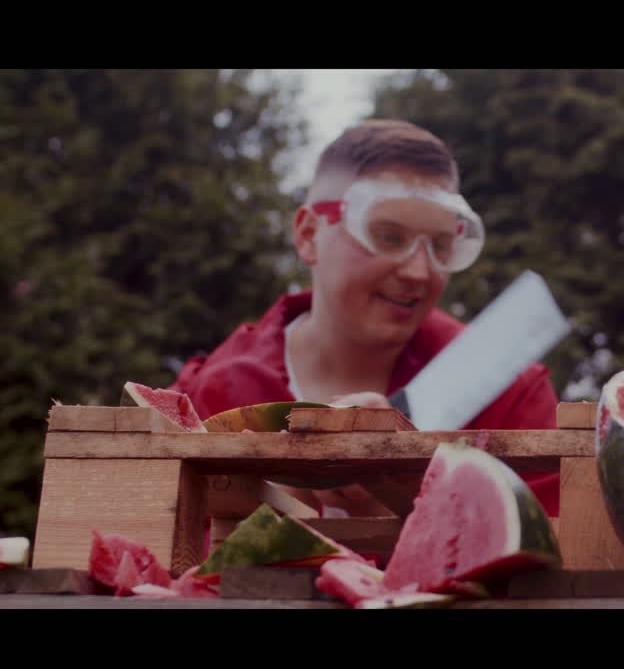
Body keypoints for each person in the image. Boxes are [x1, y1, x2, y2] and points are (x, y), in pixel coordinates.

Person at [168, 119, 561, 517]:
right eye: (388, 236)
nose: (419, 272)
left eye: (442, 246)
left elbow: (553, 562)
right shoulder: (205, 396)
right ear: (308, 235)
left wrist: (413, 507)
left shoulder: (509, 392)